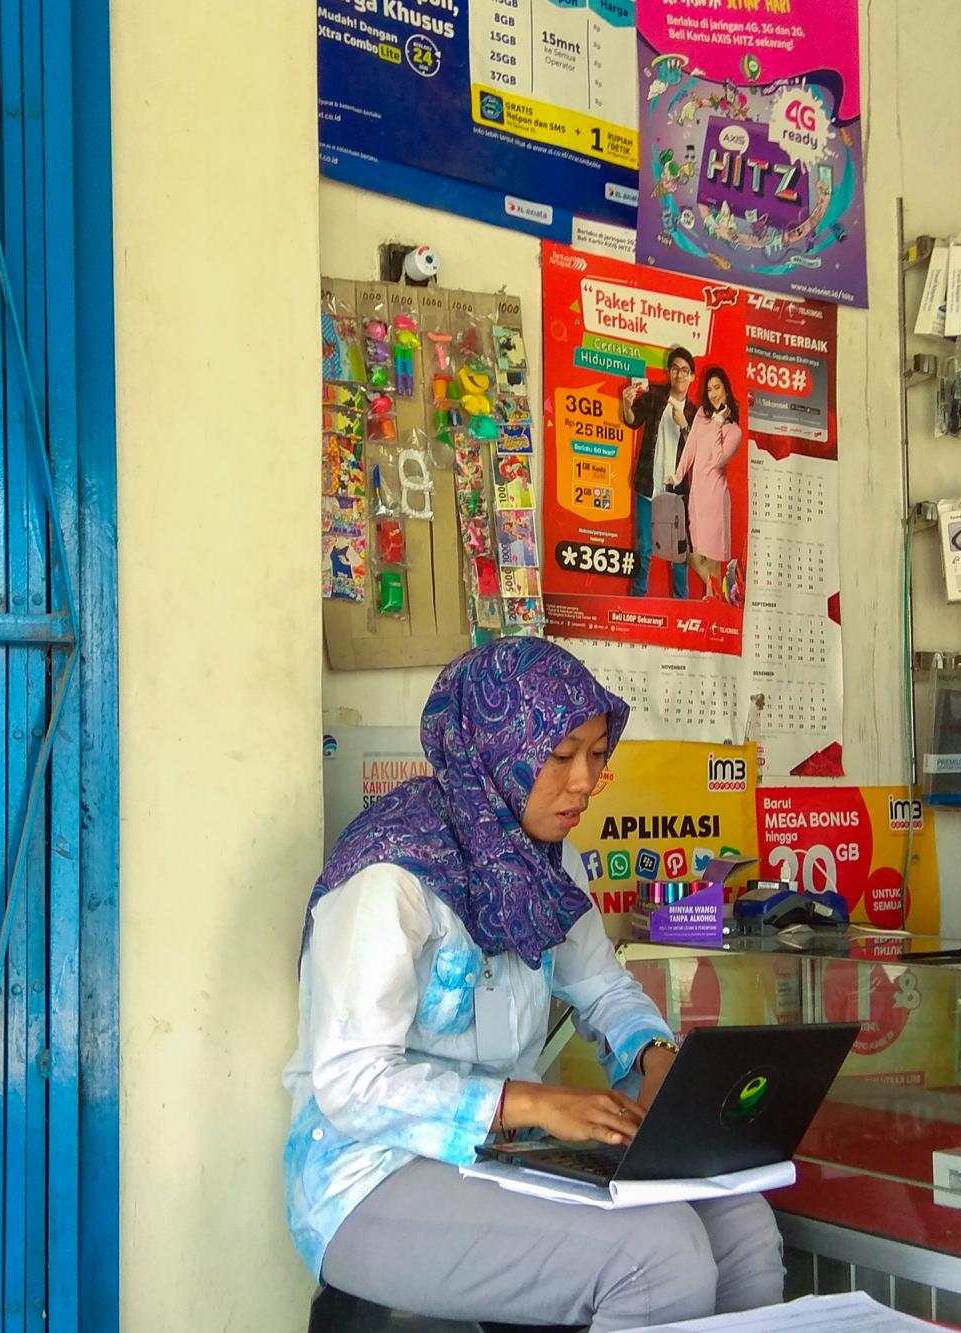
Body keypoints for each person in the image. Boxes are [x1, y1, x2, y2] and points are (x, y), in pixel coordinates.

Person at [284, 640, 786, 1330]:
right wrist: (530, 1104)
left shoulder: (547, 863)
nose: (582, 780)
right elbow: (351, 1082)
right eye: (560, 756)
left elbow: (603, 988)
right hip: (369, 1178)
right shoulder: (390, 874)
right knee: (658, 1256)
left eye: (598, 754)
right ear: (499, 748)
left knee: (742, 1227)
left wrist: (655, 1056)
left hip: (505, 1156)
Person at [618, 347, 696, 600]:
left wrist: (684, 427)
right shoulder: (654, 395)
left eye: (685, 370)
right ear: (669, 372)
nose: (679, 375)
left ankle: (681, 603)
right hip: (647, 485)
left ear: (692, 376)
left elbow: (699, 453)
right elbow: (632, 420)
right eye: (675, 369)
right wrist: (627, 404)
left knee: (678, 553)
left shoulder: (696, 414)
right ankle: (638, 597)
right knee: (644, 546)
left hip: (676, 493)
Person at [669, 365, 744, 604]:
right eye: (710, 388)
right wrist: (678, 475)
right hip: (697, 495)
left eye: (717, 388)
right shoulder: (702, 414)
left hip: (714, 496)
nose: (713, 393)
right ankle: (720, 595)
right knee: (691, 553)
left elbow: (718, 458)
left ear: (726, 390)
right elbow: (691, 446)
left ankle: (715, 600)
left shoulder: (734, 431)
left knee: (712, 557)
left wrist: (718, 424)